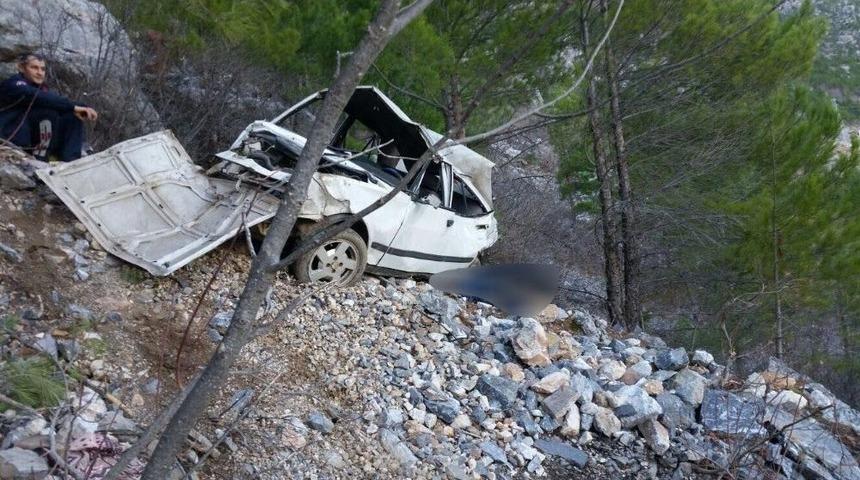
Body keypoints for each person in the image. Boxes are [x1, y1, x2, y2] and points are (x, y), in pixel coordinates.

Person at [0, 53, 98, 162]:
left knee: (73, 116)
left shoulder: (43, 90)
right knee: (48, 112)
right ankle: (41, 159)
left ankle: (71, 160)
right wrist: (73, 107)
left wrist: (81, 108)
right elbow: (36, 96)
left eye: (43, 69)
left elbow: (53, 101)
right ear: (21, 68)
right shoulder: (13, 84)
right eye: (34, 68)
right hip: (12, 137)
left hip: (35, 136)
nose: (40, 73)